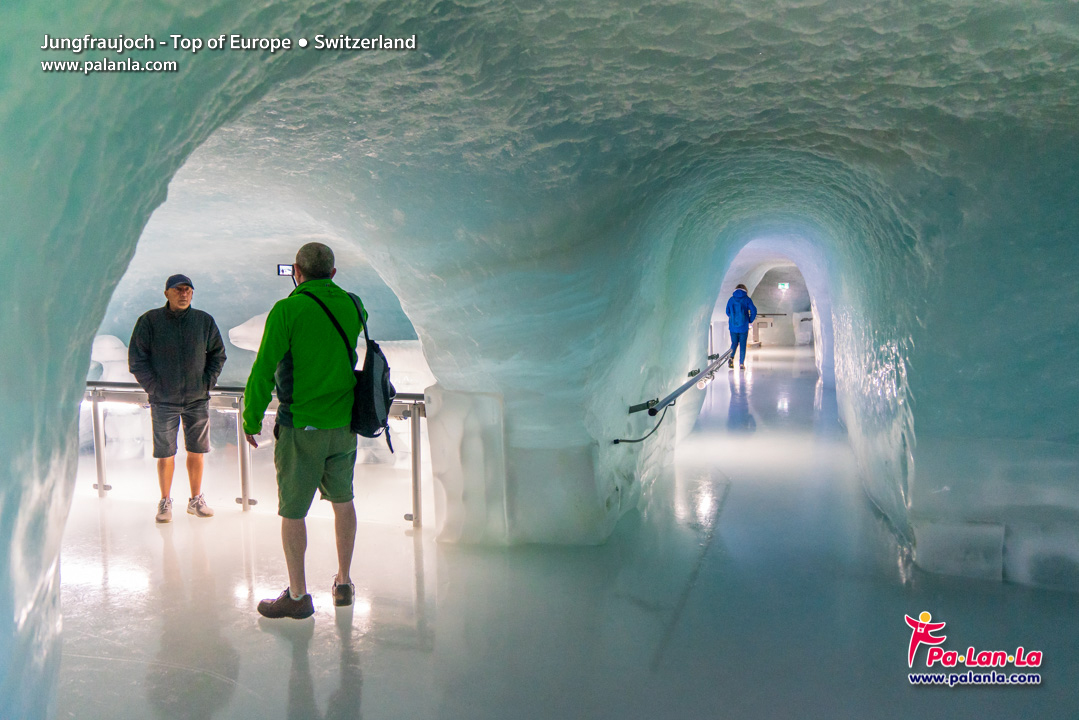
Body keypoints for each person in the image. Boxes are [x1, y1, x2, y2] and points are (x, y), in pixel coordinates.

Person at [242, 242, 367, 619]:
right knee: (343, 501)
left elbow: (263, 370)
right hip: (344, 425)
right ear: (333, 272)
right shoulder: (353, 303)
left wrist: (251, 418)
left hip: (301, 426)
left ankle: (298, 596)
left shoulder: (287, 310)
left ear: (296, 270)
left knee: (294, 511)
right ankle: (343, 582)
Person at [129, 274, 227, 523]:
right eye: (178, 289)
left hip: (196, 399)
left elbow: (218, 354)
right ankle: (165, 501)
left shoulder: (204, 321)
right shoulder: (150, 321)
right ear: (167, 293)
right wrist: (154, 387)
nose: (183, 293)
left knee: (197, 450)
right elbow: (137, 359)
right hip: (163, 400)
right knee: (165, 453)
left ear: (192, 294)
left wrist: (206, 383)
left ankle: (196, 500)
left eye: (187, 290)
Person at [725, 283, 758, 370]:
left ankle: (731, 358)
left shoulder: (731, 299)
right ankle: (741, 364)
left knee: (734, 343)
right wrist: (750, 320)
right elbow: (754, 310)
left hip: (733, 326)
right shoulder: (747, 299)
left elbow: (727, 312)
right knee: (742, 345)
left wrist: (733, 318)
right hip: (743, 326)